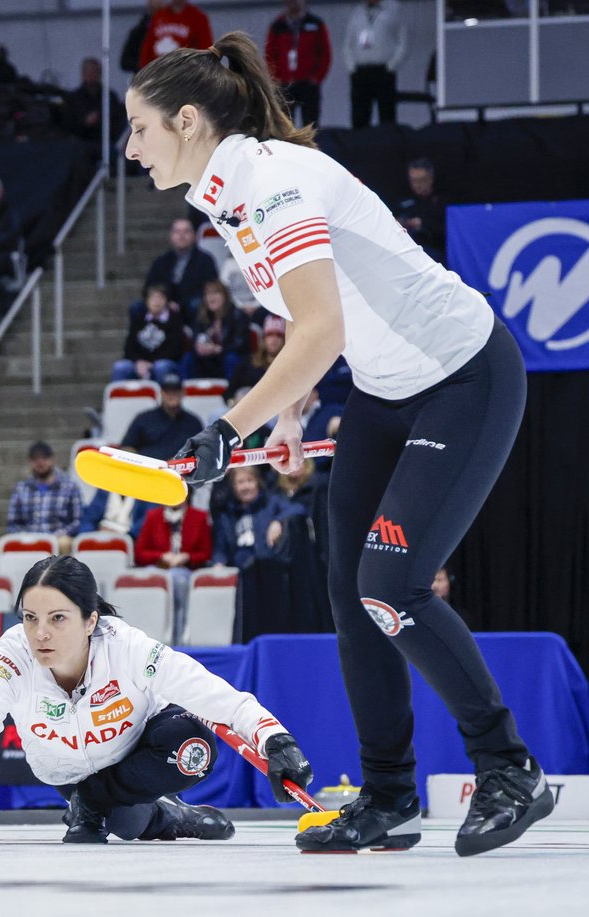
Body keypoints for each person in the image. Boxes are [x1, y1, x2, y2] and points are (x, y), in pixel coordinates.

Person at [126, 32, 551, 855]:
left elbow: (319, 328)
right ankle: (389, 794)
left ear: (185, 121)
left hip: (464, 378)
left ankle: (508, 766)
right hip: (385, 392)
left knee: (391, 584)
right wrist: (290, 410)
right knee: (351, 593)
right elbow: (317, 316)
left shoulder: (273, 182)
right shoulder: (230, 189)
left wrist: (229, 428)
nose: (132, 149)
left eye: (140, 129)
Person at [0, 555, 312, 846]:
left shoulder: (125, 645)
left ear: (90, 621)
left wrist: (276, 740)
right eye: (30, 618)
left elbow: (208, 691)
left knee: (194, 747)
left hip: (140, 748)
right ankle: (170, 816)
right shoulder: (12, 654)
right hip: (70, 773)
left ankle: (95, 805)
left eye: (58, 618)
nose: (41, 633)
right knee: (128, 825)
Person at [134, 498, 211, 637]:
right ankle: (151, 633)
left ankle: (178, 635)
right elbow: (140, 553)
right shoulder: (153, 516)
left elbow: (205, 554)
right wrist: (161, 556)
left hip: (186, 570)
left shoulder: (200, 516)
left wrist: (186, 557)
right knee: (151, 577)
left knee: (177, 578)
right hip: (159, 567)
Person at [211, 466, 302, 569]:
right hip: (241, 572)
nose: (246, 486)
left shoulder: (270, 502)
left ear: (257, 482)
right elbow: (220, 546)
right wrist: (219, 563)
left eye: (250, 480)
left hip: (270, 568)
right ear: (234, 486)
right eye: (240, 482)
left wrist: (278, 521)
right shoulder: (227, 514)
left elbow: (298, 508)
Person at [6, 441, 82, 554]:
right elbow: (12, 524)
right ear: (30, 462)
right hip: (28, 537)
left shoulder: (69, 487)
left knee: (64, 543)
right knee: (3, 543)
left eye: (44, 458)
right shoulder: (20, 488)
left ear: (52, 460)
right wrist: (28, 536)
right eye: (35, 458)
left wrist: (54, 537)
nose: (40, 462)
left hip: (59, 538)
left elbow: (76, 522)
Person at [265, 0, 332, 128]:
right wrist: (276, 78)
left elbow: (325, 53)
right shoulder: (277, 26)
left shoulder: (316, 24)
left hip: (308, 84)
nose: (293, 3)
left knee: (311, 125)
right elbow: (270, 54)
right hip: (285, 84)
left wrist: (317, 78)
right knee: (285, 126)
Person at [342, 0, 408, 128]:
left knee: (386, 116)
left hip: (383, 71)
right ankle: (360, 146)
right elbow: (348, 44)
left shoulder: (394, 9)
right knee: (359, 118)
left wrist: (391, 66)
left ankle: (388, 146)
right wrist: (351, 68)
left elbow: (403, 41)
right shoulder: (357, 12)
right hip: (360, 72)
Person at [143, 218, 218, 321]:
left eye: (186, 231)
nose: (181, 236)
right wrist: (165, 301)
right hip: (165, 301)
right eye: (177, 232)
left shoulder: (205, 260)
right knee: (137, 307)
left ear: (195, 236)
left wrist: (181, 304)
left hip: (192, 301)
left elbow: (211, 286)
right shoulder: (161, 261)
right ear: (171, 236)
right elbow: (150, 285)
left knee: (195, 305)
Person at [121, 374, 202, 462]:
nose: (172, 395)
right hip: (148, 469)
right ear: (161, 393)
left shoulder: (194, 422)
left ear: (183, 393)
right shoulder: (143, 419)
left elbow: (203, 452)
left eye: (176, 391)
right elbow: (126, 447)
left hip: (182, 471)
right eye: (168, 391)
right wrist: (139, 461)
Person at [113, 284, 184, 383]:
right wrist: (138, 362)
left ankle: (163, 398)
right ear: (147, 301)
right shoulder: (139, 319)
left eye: (160, 298)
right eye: (153, 298)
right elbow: (129, 348)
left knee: (161, 367)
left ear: (166, 301)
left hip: (164, 362)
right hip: (140, 364)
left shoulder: (174, 320)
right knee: (120, 367)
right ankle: (119, 398)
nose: (157, 301)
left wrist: (151, 363)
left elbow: (175, 349)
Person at [183, 279, 250, 380]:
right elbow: (195, 340)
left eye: (215, 293)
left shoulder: (238, 315)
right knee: (188, 359)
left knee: (231, 358)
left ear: (225, 296)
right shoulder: (202, 317)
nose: (211, 297)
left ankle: (230, 393)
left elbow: (241, 344)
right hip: (208, 360)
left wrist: (218, 349)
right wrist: (200, 347)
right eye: (207, 294)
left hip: (228, 357)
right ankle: (189, 394)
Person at [394, 158, 447, 263]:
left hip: (434, 251)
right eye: (414, 180)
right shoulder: (403, 201)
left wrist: (423, 225)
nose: (417, 185)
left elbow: (450, 231)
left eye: (422, 180)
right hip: (406, 250)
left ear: (430, 179)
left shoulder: (442, 202)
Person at [64, 57, 126, 143]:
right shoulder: (73, 98)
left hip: (107, 143)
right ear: (83, 74)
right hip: (81, 144)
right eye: (88, 72)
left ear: (99, 74)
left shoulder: (110, 96)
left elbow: (118, 121)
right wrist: (85, 123)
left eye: (94, 72)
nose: (91, 75)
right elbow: (68, 125)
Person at [139, 0, 213, 69]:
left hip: (183, 72)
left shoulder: (198, 17)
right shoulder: (159, 15)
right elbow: (147, 47)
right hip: (157, 71)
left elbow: (206, 50)